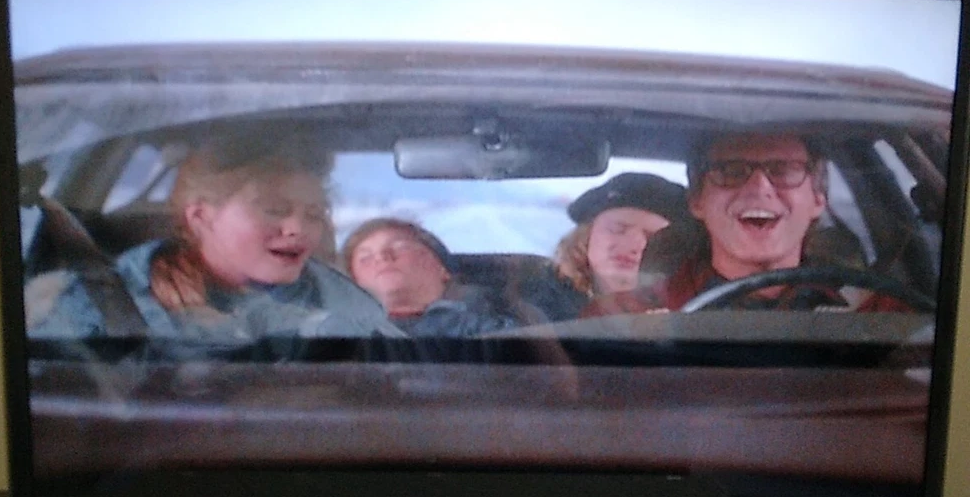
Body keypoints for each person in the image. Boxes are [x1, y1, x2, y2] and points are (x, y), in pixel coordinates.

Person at [28, 133, 401, 341]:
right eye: (273, 209)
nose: (298, 229)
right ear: (201, 217)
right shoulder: (94, 306)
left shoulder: (355, 311)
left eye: (314, 215)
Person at [582, 131, 909, 314]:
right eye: (731, 172)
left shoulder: (879, 315)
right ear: (697, 201)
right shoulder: (622, 320)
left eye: (783, 170)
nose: (759, 188)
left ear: (817, 200)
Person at [518, 172, 688, 321]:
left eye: (654, 238)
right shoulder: (532, 304)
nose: (632, 245)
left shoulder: (693, 316)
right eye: (617, 229)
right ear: (585, 237)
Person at [342, 217, 528, 337]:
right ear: (354, 282)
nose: (383, 258)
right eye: (365, 258)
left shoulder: (485, 322)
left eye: (400, 247)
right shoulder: (341, 332)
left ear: (442, 268)